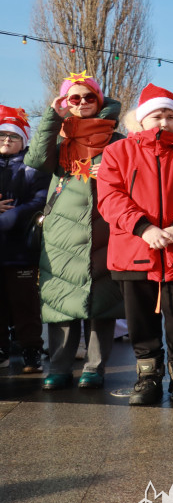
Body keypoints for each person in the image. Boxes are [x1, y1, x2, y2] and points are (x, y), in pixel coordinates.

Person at [97, 84, 173, 405]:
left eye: (169, 116)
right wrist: (144, 228)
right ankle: (147, 377)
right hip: (133, 251)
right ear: (141, 119)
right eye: (156, 116)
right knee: (140, 320)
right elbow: (110, 198)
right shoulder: (117, 152)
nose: (163, 122)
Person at [26, 71, 124, 388]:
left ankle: (94, 368)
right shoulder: (59, 137)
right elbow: (37, 160)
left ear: (99, 100)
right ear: (66, 103)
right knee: (61, 301)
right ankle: (59, 367)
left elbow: (133, 176)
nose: (82, 103)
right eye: (75, 98)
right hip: (62, 232)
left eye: (89, 97)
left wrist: (109, 171)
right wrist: (52, 118)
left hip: (104, 228)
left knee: (102, 303)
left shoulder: (118, 139)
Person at [0, 106, 49, 373]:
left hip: (21, 249)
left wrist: (12, 217)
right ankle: (1, 351)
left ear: (24, 140)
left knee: (25, 303)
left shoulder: (32, 167)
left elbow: (39, 200)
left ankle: (31, 351)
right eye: (2, 135)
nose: (7, 140)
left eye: (13, 136)